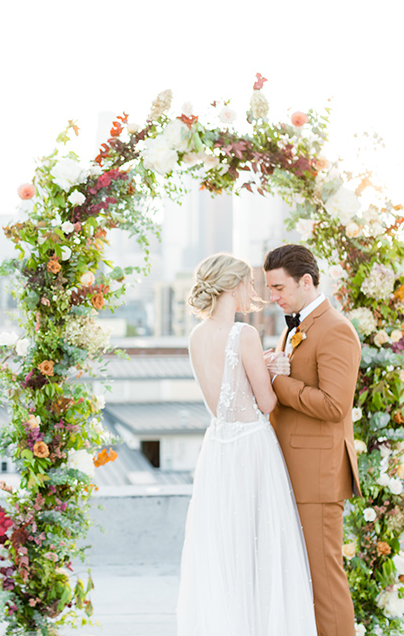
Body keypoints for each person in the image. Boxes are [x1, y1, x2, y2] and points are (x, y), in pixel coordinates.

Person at [176, 253, 317, 636]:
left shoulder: (196, 336)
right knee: (263, 544)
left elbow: (220, 396)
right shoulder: (244, 334)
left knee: (226, 543)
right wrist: (271, 371)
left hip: (219, 447)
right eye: (249, 284)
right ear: (232, 285)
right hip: (252, 446)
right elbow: (267, 403)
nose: (252, 292)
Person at [264, 243, 361, 636]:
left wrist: (278, 382)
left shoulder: (335, 329)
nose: (273, 297)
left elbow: (335, 406)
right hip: (295, 471)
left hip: (318, 478)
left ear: (306, 282)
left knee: (325, 583)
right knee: (304, 582)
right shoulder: (297, 327)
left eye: (279, 288)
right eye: (270, 289)